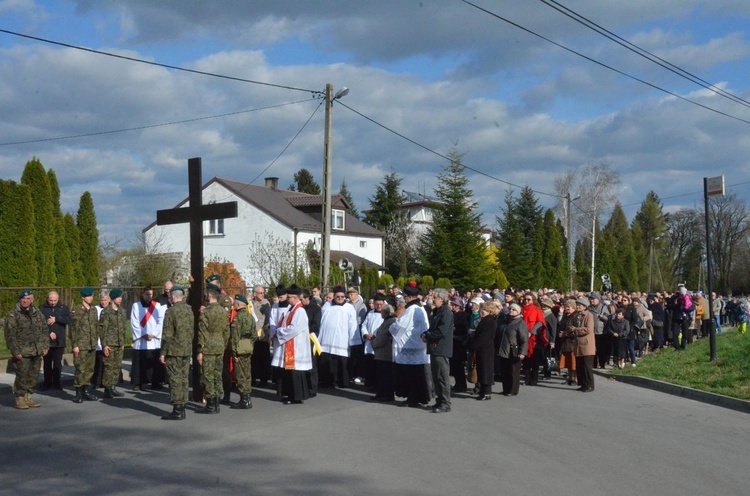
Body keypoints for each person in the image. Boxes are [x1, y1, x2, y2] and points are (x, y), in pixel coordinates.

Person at [4, 290, 48, 409]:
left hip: (36, 350)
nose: (25, 300)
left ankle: (28, 397)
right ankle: (20, 398)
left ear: (32, 300)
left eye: (28, 298)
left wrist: (45, 346)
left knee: (33, 375)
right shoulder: (14, 314)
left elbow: (44, 330)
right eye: (23, 298)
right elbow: (10, 335)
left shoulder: (37, 313)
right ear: (20, 299)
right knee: (22, 375)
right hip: (22, 352)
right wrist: (15, 351)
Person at [390, 282, 430, 408]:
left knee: (411, 375)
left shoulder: (411, 309)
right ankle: (417, 397)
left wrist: (391, 327)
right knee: (417, 374)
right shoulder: (420, 307)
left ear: (408, 297)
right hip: (418, 344)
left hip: (410, 345)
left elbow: (401, 325)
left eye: (406, 296)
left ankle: (412, 398)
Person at [271, 285, 312, 404]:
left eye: (289, 297)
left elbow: (293, 329)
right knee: (289, 372)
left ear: (294, 298)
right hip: (290, 344)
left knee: (295, 372)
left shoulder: (299, 311)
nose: (287, 299)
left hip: (296, 346)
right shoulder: (292, 309)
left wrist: (279, 331)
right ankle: (290, 394)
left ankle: (296, 396)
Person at [159, 286, 194, 420]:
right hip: (186, 349)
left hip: (173, 351)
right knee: (184, 379)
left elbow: (167, 335)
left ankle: (177, 409)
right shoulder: (189, 310)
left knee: (174, 380)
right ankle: (182, 407)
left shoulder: (170, 312)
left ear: (173, 297)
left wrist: (163, 352)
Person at [197, 285, 231, 414]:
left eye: (206, 294)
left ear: (209, 295)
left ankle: (211, 404)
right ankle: (217, 402)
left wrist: (200, 350)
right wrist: (223, 344)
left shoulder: (206, 312)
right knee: (217, 375)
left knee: (208, 376)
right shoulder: (223, 311)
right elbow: (226, 331)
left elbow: (202, 332)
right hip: (219, 346)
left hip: (208, 347)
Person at [318, 285, 358, 388]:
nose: (340, 298)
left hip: (342, 340)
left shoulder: (349, 308)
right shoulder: (327, 306)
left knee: (341, 363)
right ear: (334, 296)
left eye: (342, 297)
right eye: (337, 296)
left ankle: (342, 382)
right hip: (327, 340)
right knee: (328, 361)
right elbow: (321, 322)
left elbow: (353, 324)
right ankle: (327, 381)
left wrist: (353, 340)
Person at [421, 288, 454, 413]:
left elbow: (441, 331)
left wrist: (428, 336)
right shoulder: (438, 311)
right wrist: (425, 334)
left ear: (441, 298)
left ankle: (445, 403)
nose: (432, 298)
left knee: (442, 377)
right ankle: (439, 401)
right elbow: (432, 327)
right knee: (436, 376)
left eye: (434, 296)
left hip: (441, 348)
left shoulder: (446, 312)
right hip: (435, 347)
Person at [130, 286, 166, 390]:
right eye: (147, 294)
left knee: (155, 362)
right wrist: (144, 334)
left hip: (154, 339)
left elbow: (160, 321)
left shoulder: (157, 305)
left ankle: (156, 382)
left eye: (150, 294)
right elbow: (134, 322)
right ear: (142, 294)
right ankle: (139, 382)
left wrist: (154, 334)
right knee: (140, 362)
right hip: (141, 338)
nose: (149, 296)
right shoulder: (136, 306)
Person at [70, 287, 100, 403]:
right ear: (83, 297)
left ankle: (85, 390)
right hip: (81, 344)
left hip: (92, 344)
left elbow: (96, 326)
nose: (91, 298)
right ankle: (78, 392)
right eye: (88, 296)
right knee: (80, 369)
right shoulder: (77, 310)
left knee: (89, 369)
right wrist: (75, 345)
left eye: (92, 295)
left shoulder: (93, 310)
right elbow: (73, 329)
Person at [99, 289, 128, 399]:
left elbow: (124, 328)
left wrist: (123, 342)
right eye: (117, 297)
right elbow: (102, 330)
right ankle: (107, 388)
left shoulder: (122, 312)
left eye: (120, 297)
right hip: (110, 343)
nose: (120, 299)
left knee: (117, 366)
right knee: (109, 366)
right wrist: (104, 345)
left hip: (119, 343)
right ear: (112, 299)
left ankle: (113, 386)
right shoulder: (106, 312)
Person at [230, 294, 257, 410]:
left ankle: (244, 400)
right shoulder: (250, 317)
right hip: (248, 347)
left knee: (240, 374)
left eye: (235, 303)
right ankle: (248, 398)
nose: (234, 305)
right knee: (247, 373)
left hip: (240, 348)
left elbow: (234, 336)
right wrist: (249, 343)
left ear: (239, 304)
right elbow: (255, 335)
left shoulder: (237, 318)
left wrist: (234, 352)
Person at [39, 291, 71, 391]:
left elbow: (68, 320)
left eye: (55, 300)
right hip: (46, 340)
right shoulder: (42, 309)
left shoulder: (63, 308)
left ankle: (57, 383)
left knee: (57, 363)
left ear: (58, 299)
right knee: (47, 363)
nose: (53, 302)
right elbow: (39, 324)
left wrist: (56, 318)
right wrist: (49, 333)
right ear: (47, 299)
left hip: (59, 341)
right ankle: (47, 382)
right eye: (51, 300)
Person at [468, 300, 499, 401]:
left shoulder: (490, 321)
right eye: (482, 309)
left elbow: (484, 337)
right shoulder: (484, 320)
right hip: (482, 348)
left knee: (486, 370)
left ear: (490, 311)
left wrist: (474, 345)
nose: (482, 311)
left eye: (485, 310)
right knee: (481, 370)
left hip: (486, 349)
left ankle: (487, 393)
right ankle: (482, 392)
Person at [496, 303, 528, 396]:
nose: (511, 311)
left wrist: (522, 352)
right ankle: (506, 389)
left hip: (514, 350)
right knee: (504, 371)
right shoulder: (504, 321)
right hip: (503, 349)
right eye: (510, 309)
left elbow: (524, 339)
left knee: (513, 371)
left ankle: (513, 390)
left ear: (518, 312)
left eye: (514, 310)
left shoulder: (521, 323)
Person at [567, 297, 595, 392]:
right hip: (578, 344)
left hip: (586, 345)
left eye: (579, 305)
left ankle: (590, 385)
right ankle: (583, 384)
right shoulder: (576, 316)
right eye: (577, 305)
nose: (577, 307)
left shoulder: (588, 315)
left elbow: (588, 329)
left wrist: (576, 329)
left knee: (587, 366)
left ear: (584, 307)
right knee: (579, 366)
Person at [371, 303, 396, 402]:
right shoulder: (386, 321)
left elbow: (382, 337)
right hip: (382, 354)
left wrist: (373, 342)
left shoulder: (390, 322)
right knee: (381, 375)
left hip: (386, 354)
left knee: (386, 376)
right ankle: (381, 393)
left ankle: (387, 395)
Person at [521, 292, 546, 386]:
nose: (526, 301)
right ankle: (527, 379)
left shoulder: (537, 310)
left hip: (534, 339)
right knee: (526, 360)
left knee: (535, 360)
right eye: (525, 299)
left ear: (533, 300)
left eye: (529, 299)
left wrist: (532, 332)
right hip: (523, 338)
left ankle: (534, 379)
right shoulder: (522, 310)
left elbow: (540, 323)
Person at [300, 289, 322, 395]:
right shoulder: (300, 308)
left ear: (307, 298)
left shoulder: (316, 309)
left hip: (311, 338)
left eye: (301, 299)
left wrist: (304, 330)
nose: (300, 302)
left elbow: (315, 325)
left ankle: (313, 388)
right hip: (300, 339)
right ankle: (303, 386)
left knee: (312, 364)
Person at [361, 294, 385, 389]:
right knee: (369, 365)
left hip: (379, 344)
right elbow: (364, 325)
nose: (379, 306)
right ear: (374, 303)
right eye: (377, 304)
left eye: (381, 304)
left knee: (378, 367)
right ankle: (370, 383)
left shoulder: (386, 314)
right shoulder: (370, 313)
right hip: (369, 342)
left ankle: (377, 385)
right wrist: (366, 334)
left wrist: (376, 337)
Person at [250, 284, 272, 387]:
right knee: (253, 358)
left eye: (263, 293)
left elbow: (265, 319)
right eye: (260, 293)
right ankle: (253, 378)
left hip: (262, 334)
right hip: (252, 334)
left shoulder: (265, 304)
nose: (262, 294)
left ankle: (264, 379)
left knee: (263, 358)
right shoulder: (250, 304)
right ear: (254, 294)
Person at [346, 287, 368, 385]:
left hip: (357, 332)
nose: (350, 296)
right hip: (348, 332)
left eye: (352, 294)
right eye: (349, 294)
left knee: (358, 356)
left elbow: (360, 319)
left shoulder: (361, 305)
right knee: (351, 355)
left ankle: (359, 374)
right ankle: (351, 373)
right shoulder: (348, 304)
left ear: (356, 294)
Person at [449, 296, 469, 393]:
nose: (452, 306)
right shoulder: (453, 314)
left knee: (459, 366)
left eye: (454, 305)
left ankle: (461, 385)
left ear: (458, 306)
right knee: (455, 366)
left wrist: (456, 334)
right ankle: (458, 384)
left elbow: (464, 330)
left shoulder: (462, 315)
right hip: (454, 343)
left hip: (459, 343)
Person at [557, 299, 577, 386]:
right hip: (565, 343)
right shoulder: (565, 316)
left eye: (568, 307)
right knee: (568, 363)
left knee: (574, 363)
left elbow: (575, 330)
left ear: (573, 307)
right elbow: (561, 325)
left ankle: (575, 379)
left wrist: (565, 334)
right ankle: (569, 378)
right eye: (566, 307)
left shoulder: (575, 316)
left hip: (572, 343)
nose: (567, 308)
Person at [588, 293, 610, 369]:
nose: (591, 301)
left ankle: (602, 364)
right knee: (593, 349)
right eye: (591, 299)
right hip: (592, 332)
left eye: (593, 299)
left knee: (602, 349)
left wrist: (602, 317)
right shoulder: (589, 308)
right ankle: (594, 364)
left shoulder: (603, 307)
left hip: (602, 332)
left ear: (598, 299)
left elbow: (608, 318)